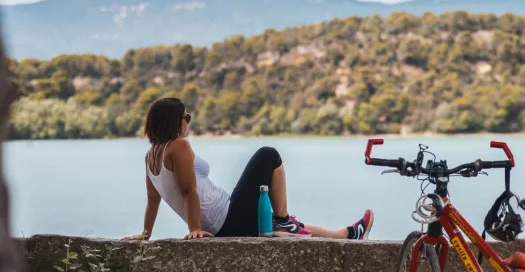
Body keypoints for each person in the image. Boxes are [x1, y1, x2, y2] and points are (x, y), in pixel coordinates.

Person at [122, 97, 374, 241]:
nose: (187, 123)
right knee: (268, 155)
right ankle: (284, 221)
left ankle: (350, 234)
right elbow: (189, 192)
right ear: (174, 122)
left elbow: (152, 200)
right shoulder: (178, 146)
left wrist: (145, 234)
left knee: (288, 227)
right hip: (228, 219)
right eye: (186, 118)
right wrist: (195, 230)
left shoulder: (150, 156)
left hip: (228, 218)